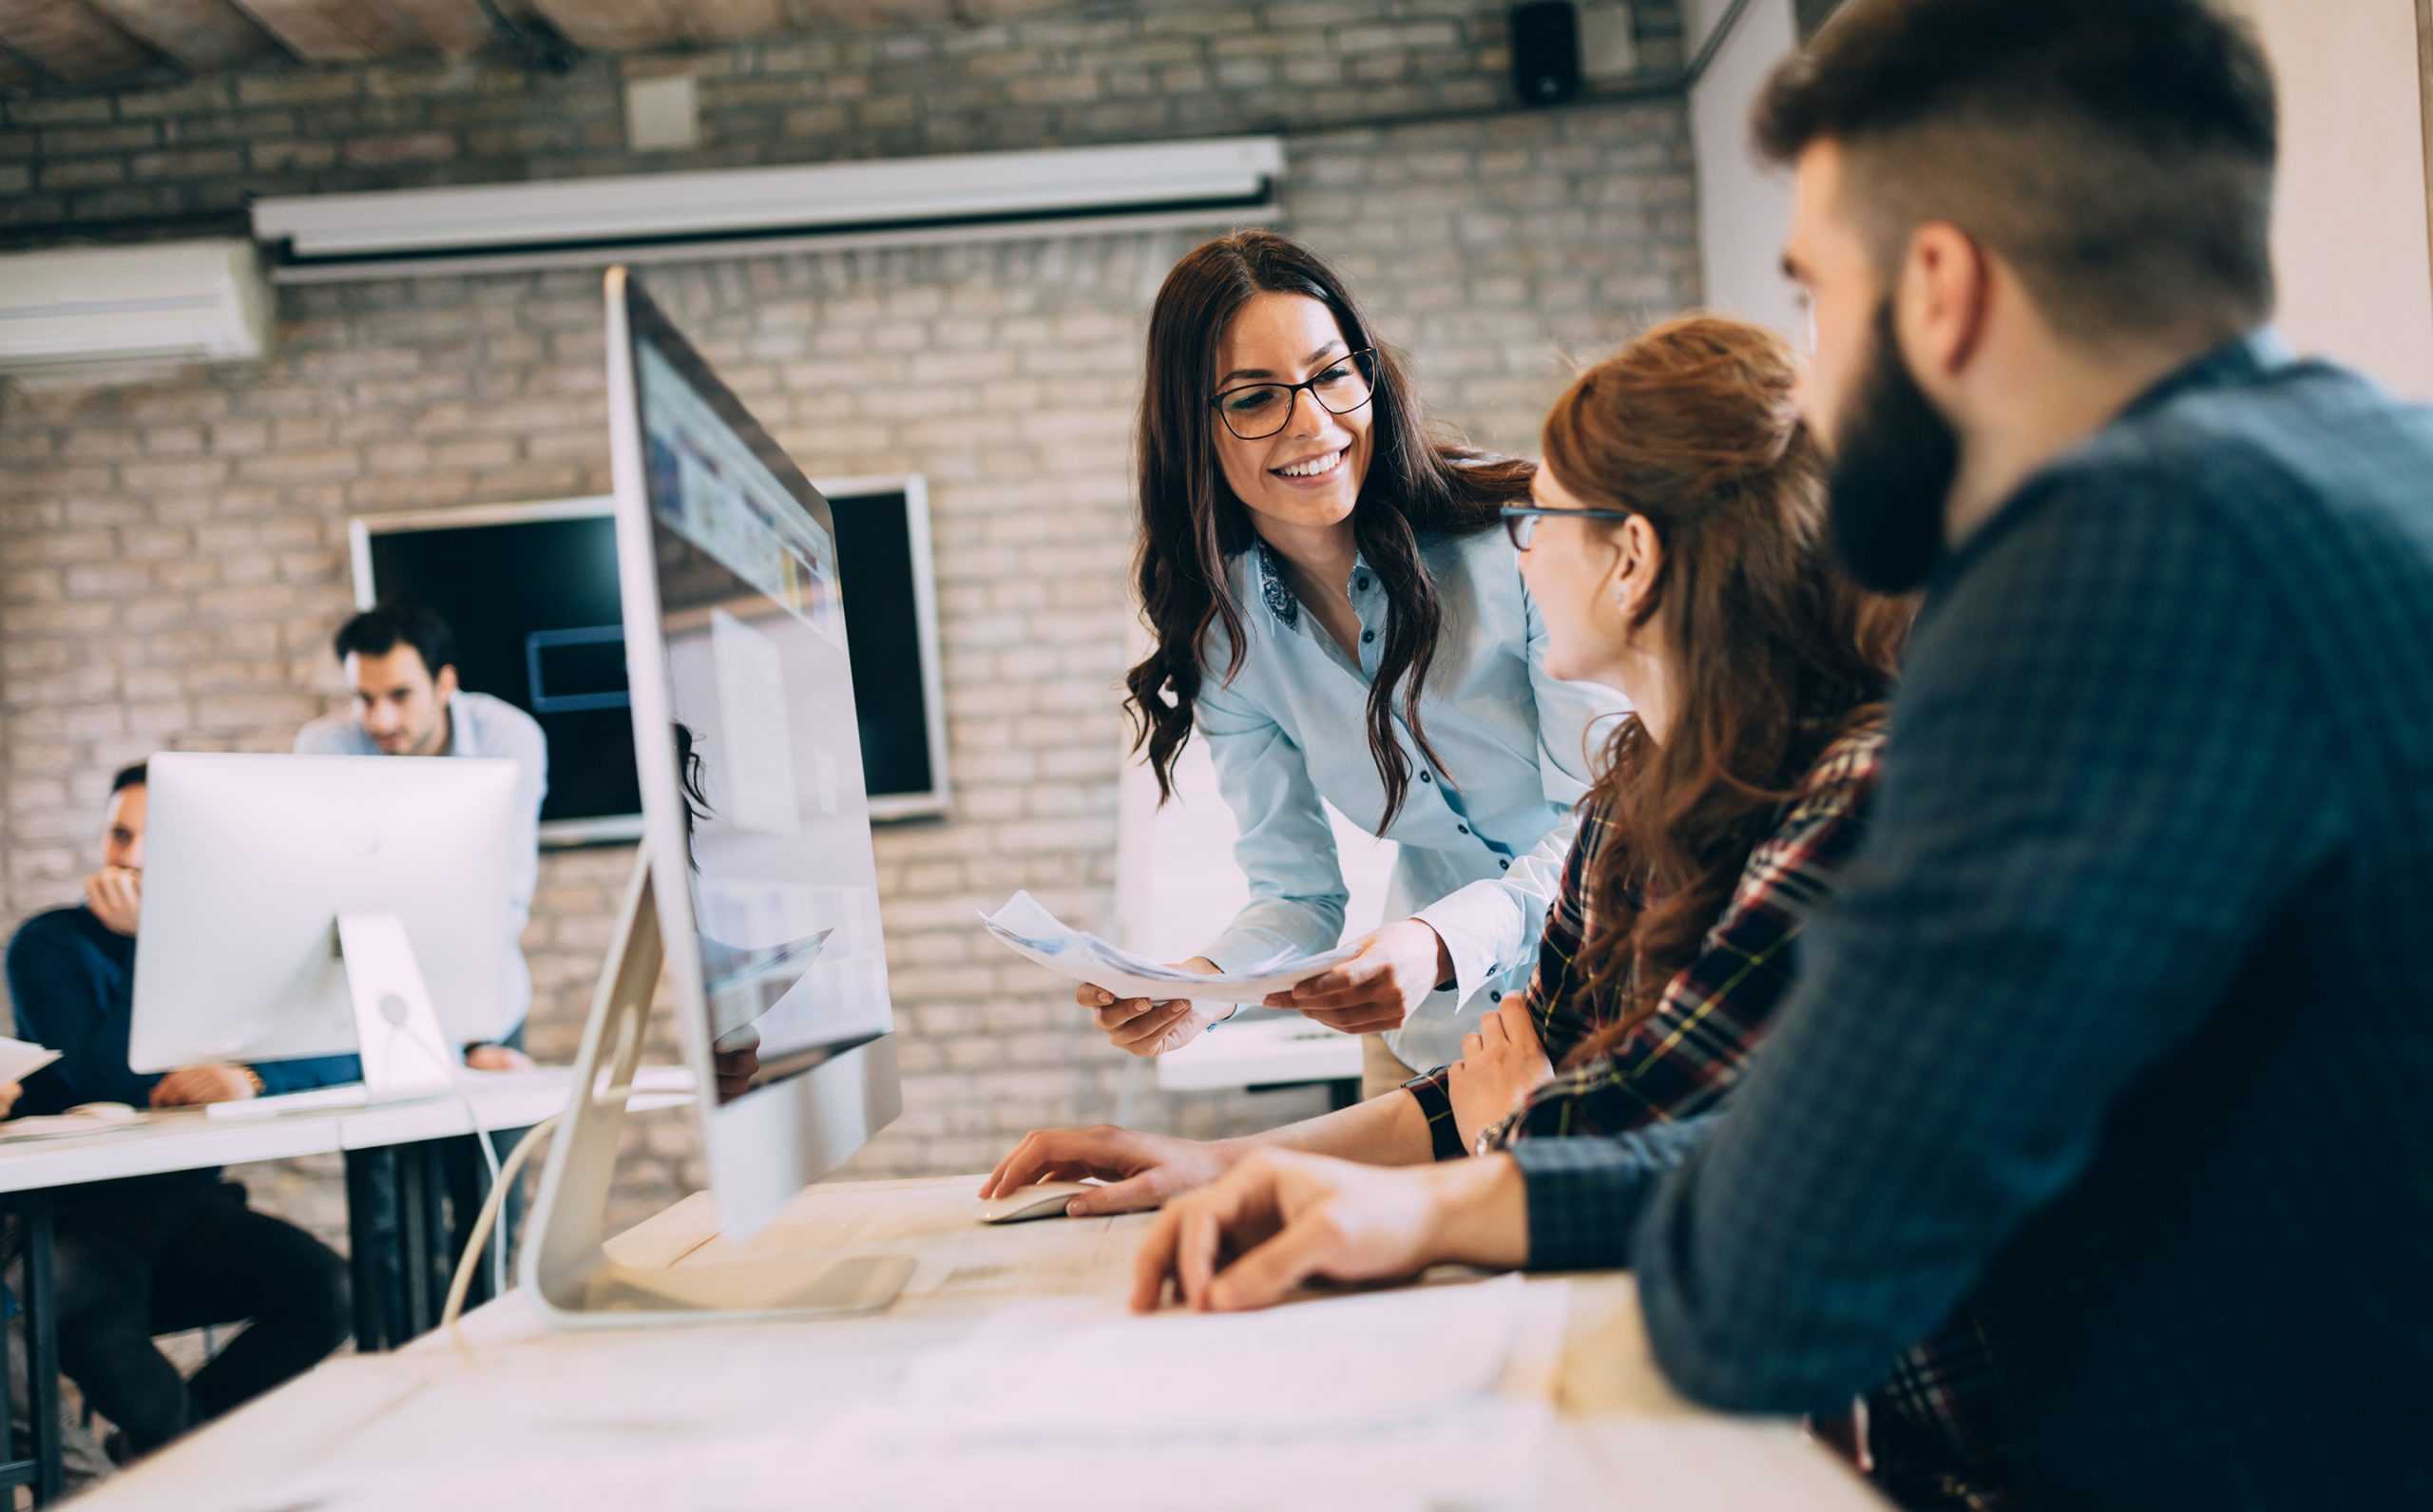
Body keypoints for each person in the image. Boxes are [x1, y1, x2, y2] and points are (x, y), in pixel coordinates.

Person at [1124, 3, 2433, 1506]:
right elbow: (1838, 1147)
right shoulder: (2378, 474)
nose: (1803, 377)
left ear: (1936, 290)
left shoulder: (2099, 582)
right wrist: (1426, 1197)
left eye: (1815, 295)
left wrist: (1482, 1161)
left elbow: (1774, 1259)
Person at [992, 317, 2000, 1502]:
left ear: (1630, 560)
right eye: (1254, 397)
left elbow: (1614, 1143)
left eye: (1543, 519)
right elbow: (1523, 1090)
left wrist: (1501, 1129)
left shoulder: (1861, 798)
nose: (1518, 547)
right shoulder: (1630, 801)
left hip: (1951, 1461)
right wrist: (1209, 1162)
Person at [1101, 230, 1626, 1096]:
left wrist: (1437, 942)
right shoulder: (1229, 642)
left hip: (1614, 1006)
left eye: (1332, 373)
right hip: (1434, 1043)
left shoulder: (1521, 537)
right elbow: (1297, 895)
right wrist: (1202, 989)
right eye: (1255, 397)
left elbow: (1604, 826)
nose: (1311, 423)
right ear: (1193, 429)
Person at [3, 765, 351, 1457]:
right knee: (83, 1314)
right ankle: (189, 1466)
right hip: (77, 1221)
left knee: (331, 1289)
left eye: (149, 841)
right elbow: (102, 1075)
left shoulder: (226, 949)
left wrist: (249, 1076)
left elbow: (342, 1053)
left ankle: (165, 1459)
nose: (127, 857)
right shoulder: (49, 945)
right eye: (118, 835)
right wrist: (153, 942)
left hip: (186, 1211)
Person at [295, 600, 546, 1067]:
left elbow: (505, 896)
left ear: (445, 684)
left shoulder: (507, 738)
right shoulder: (324, 748)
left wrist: (464, 1040)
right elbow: (324, 893)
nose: (380, 721)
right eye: (364, 699)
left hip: (482, 1002)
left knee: (501, 1137)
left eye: (400, 696)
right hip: (367, 1007)